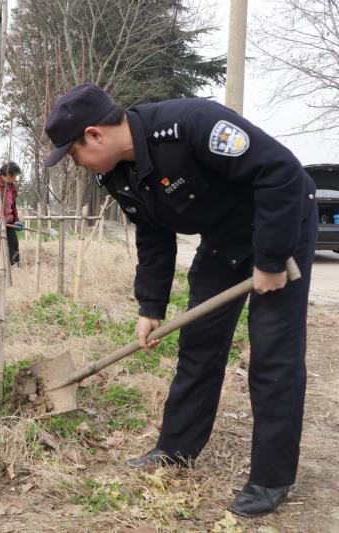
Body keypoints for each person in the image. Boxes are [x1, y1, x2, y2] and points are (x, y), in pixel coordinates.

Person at [44, 84, 317, 518]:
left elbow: (279, 172)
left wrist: (267, 259)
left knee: (272, 353)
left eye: (72, 153)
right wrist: (150, 307)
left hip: (282, 226)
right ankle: (175, 449)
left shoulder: (190, 124)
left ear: (94, 135)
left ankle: (271, 478)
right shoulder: (116, 174)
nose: (75, 163)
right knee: (199, 343)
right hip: (225, 239)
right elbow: (154, 236)